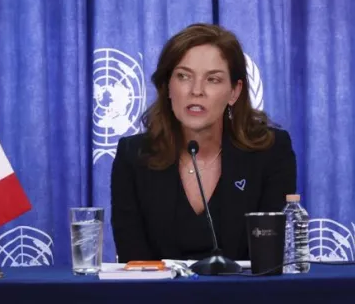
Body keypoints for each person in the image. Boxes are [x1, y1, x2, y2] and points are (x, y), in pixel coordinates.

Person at [111, 24, 297, 262]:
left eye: (213, 79)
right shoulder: (134, 156)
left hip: (246, 297)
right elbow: (134, 260)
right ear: (168, 86)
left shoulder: (270, 151)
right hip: (157, 298)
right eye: (184, 76)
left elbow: (270, 258)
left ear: (234, 92)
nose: (196, 90)